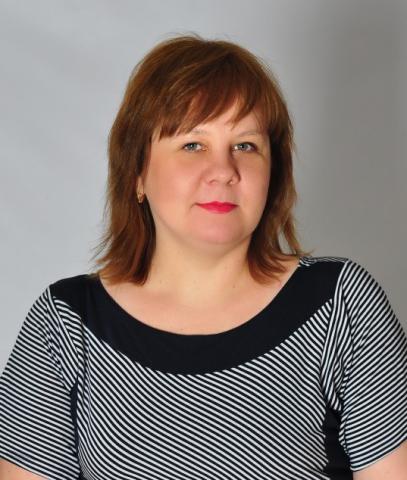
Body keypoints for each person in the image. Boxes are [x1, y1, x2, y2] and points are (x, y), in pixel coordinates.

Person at [0, 33, 406, 480]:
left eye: (246, 145)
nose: (224, 171)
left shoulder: (341, 306)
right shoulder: (66, 323)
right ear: (137, 173)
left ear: (273, 172)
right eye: (193, 145)